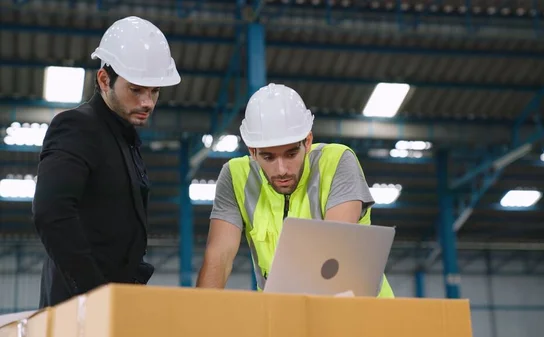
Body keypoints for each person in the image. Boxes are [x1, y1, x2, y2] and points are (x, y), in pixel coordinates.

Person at [32, 16, 181, 308]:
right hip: (79, 311)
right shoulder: (77, 126)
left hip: (113, 306)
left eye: (154, 91)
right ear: (104, 80)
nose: (148, 102)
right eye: (136, 90)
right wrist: (95, 295)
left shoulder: (125, 139)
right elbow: (52, 212)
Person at [195, 83, 395, 298]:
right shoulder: (235, 177)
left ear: (307, 142)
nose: (281, 170)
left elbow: (333, 254)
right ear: (252, 151)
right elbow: (219, 256)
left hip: (360, 311)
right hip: (283, 316)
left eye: (291, 154)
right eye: (268, 157)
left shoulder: (337, 162)